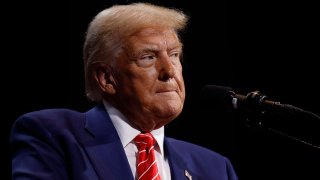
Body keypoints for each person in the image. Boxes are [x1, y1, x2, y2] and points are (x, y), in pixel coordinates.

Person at [10, 2, 238, 180]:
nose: (169, 71)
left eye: (175, 55)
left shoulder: (215, 168)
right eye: (148, 57)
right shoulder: (54, 136)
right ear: (106, 78)